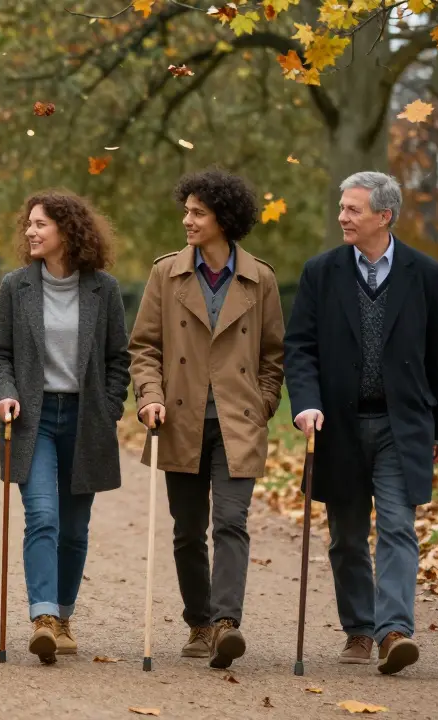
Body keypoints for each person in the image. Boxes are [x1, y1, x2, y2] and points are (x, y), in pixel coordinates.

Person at [285, 171, 438, 675]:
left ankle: (394, 631)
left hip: (402, 425)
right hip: (337, 423)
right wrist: (305, 404)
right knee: (347, 536)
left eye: (353, 209)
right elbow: (300, 348)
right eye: (342, 207)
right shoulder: (322, 272)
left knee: (399, 527)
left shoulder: (425, 272)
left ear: (384, 216)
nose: (342, 216)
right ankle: (359, 630)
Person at [128, 168, 285, 669]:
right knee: (187, 530)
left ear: (224, 219)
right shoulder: (165, 273)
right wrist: (149, 396)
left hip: (239, 422)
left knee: (231, 522)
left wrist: (261, 405)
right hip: (180, 419)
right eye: (187, 211)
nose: (187, 220)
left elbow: (273, 355)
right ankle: (198, 621)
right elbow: (145, 347)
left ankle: (225, 624)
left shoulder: (260, 278)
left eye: (198, 212)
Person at [0, 189, 130, 664]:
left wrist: (108, 408)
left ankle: (64, 615)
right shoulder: (16, 287)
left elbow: (117, 359)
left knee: (74, 528)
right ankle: (43, 617)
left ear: (67, 231)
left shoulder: (103, 289)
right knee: (42, 515)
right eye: (29, 223)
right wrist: (5, 393)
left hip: (86, 420)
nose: (30, 230)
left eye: (40, 224)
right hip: (34, 418)